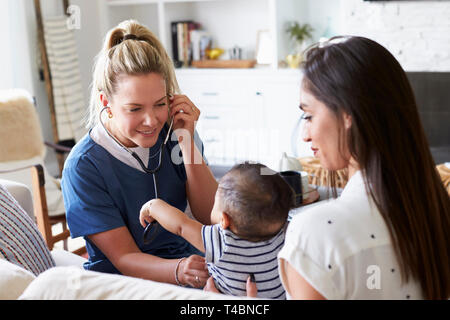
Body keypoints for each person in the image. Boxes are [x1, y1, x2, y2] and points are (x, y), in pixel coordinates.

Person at [276, 36, 450, 299]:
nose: (305, 134)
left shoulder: (315, 234)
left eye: (309, 115)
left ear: (348, 114)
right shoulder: (437, 213)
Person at [61, 20, 218, 288]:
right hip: (121, 283)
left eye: (159, 104)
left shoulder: (175, 133)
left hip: (186, 269)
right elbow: (124, 257)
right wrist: (180, 269)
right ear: (106, 104)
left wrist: (187, 140)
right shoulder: (83, 167)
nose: (151, 121)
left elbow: (209, 216)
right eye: (134, 109)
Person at [139, 162, 293, 299]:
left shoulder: (221, 242)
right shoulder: (285, 232)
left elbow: (181, 225)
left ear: (224, 220)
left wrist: (154, 206)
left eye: (215, 202)